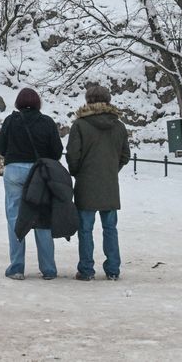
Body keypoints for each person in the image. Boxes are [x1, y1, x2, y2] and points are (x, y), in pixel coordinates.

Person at [0, 88, 62, 280]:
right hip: (39, 173)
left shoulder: (11, 120)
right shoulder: (46, 122)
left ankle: (16, 267)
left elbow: (0, 147)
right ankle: (48, 269)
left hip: (14, 170)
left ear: (18, 103)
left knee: (15, 217)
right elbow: (56, 152)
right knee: (42, 218)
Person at [66, 85, 130, 281]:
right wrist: (111, 169)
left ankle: (86, 270)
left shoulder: (80, 125)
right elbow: (125, 155)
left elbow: (72, 155)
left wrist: (78, 172)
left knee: (85, 229)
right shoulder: (118, 126)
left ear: (88, 101)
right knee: (110, 228)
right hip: (109, 184)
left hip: (86, 183)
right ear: (108, 100)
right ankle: (112, 269)